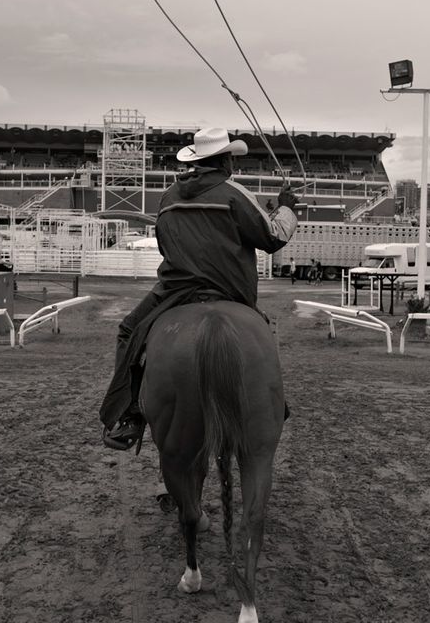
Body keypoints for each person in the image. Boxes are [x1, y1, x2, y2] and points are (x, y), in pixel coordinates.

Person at [99, 127, 299, 451]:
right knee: (261, 332)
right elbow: (273, 237)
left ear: (197, 160)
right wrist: (287, 207)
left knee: (129, 331)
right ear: (225, 162)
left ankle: (130, 414)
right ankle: (274, 403)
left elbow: (166, 245)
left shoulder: (168, 197)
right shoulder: (234, 193)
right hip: (231, 290)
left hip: (175, 290)